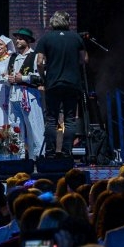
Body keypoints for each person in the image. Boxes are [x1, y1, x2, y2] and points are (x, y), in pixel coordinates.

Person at [35, 11, 87, 159]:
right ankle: (66, 152)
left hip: (53, 83)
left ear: (52, 22)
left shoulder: (46, 38)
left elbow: (39, 61)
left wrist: (43, 76)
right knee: (70, 119)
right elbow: (85, 59)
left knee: (51, 119)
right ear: (67, 21)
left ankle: (50, 153)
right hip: (72, 83)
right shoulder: (76, 37)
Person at [6, 27, 45, 159]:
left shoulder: (34, 56)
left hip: (29, 95)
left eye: (21, 38)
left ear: (28, 41)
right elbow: (8, 75)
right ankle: (19, 157)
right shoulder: (13, 57)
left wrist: (22, 78)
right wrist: (8, 78)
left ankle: (39, 156)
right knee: (15, 128)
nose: (17, 41)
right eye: (16, 38)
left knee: (34, 127)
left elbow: (41, 77)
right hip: (14, 95)